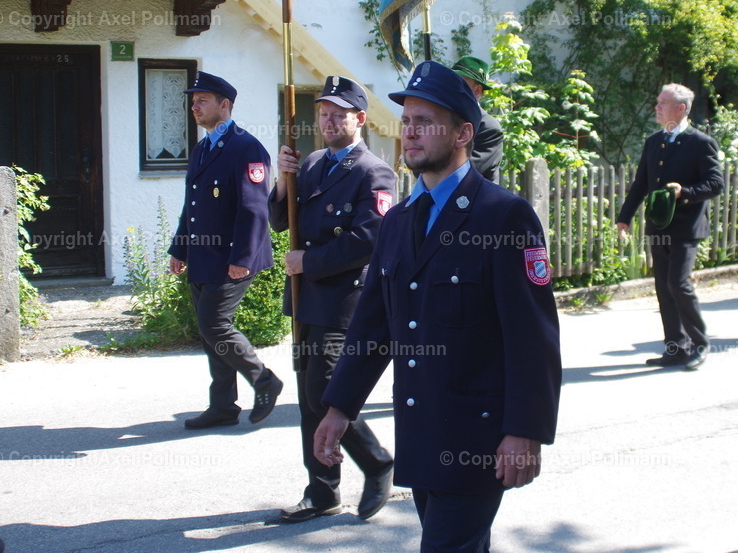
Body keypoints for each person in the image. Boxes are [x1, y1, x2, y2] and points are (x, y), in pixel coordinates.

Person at [313, 60, 561, 552]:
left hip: (479, 441)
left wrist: (524, 432)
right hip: (422, 435)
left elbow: (533, 337)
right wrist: (340, 407)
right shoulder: (400, 220)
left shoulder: (504, 216)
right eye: (406, 122)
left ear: (463, 133)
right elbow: (373, 324)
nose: (410, 133)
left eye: (425, 123)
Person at [268, 76, 396, 523]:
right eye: (323, 112)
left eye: (338, 113)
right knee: (309, 399)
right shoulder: (312, 164)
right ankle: (322, 492)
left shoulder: (375, 171)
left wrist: (309, 262)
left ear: (359, 119)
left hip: (343, 301)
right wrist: (283, 184)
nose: (327, 120)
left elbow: (368, 239)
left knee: (327, 394)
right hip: (305, 300)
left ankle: (378, 462)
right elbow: (281, 221)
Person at [168, 72, 283, 429]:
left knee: (215, 324)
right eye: (193, 101)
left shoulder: (246, 148)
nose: (195, 106)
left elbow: (254, 209)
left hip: (232, 257)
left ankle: (264, 379)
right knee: (209, 330)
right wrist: (180, 248)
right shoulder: (203, 148)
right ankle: (223, 406)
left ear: (225, 105)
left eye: (202, 100)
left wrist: (242, 259)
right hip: (203, 256)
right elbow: (193, 207)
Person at [616, 83, 724, 370]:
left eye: (664, 102)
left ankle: (700, 344)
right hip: (659, 227)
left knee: (679, 284)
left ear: (681, 108)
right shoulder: (654, 141)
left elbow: (715, 184)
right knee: (664, 287)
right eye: (658, 101)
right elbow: (641, 183)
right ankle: (676, 347)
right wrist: (625, 216)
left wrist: (684, 192)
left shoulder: (700, 143)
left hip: (686, 228)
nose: (657, 106)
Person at [452, 56, 504, 184]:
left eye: (459, 83)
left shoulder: (489, 127)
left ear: (477, 90)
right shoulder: (445, 120)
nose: (451, 88)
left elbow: (463, 171)